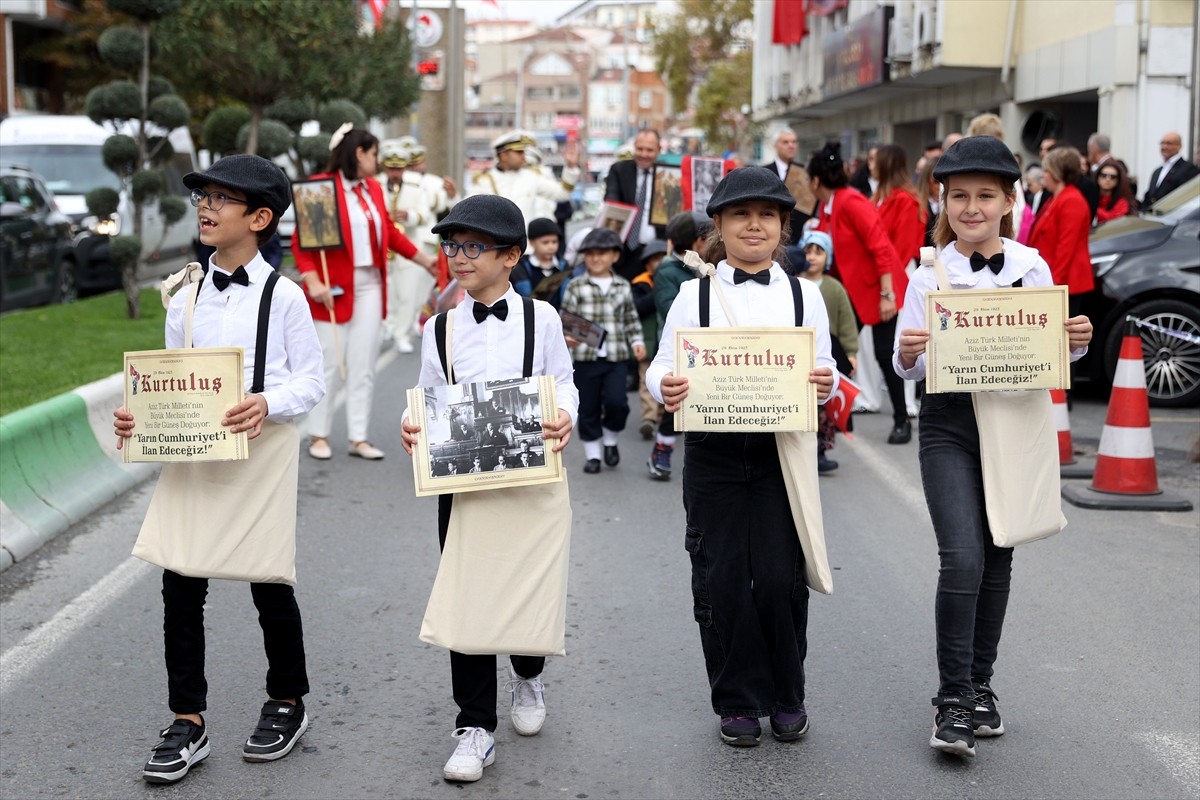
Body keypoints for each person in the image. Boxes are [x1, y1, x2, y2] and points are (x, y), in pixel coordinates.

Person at [114, 155, 325, 784]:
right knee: (180, 586)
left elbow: (311, 379)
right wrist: (139, 418)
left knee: (268, 582)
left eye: (222, 200)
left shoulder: (284, 296)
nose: (206, 207)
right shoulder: (185, 292)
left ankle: (287, 700)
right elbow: (171, 376)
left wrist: (269, 401)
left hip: (259, 452)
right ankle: (188, 719)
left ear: (259, 218)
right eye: (203, 197)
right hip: (194, 457)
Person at [894, 135, 1093, 759]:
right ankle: (951, 699)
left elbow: (1051, 350)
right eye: (959, 197)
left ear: (1011, 200)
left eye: (985, 196)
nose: (972, 208)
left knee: (1001, 549)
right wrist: (907, 355)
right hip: (949, 422)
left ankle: (981, 686)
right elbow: (907, 362)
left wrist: (1077, 339)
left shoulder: (1032, 267)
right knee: (962, 556)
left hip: (1013, 420)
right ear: (942, 201)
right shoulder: (926, 271)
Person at [646, 167, 837, 748]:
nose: (754, 226)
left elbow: (825, 368)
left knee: (780, 577)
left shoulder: (805, 296)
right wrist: (666, 388)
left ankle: (787, 694)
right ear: (720, 228)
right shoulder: (692, 294)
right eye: (740, 216)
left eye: (767, 216)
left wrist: (824, 383)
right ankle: (736, 700)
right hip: (713, 452)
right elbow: (660, 364)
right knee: (722, 576)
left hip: (782, 452)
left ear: (783, 228)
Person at [400, 194, 577, 784]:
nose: (459, 257)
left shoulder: (542, 318)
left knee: (527, 587)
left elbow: (564, 384)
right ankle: (474, 725)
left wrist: (565, 416)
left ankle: (527, 673)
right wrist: (414, 428)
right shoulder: (440, 328)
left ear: (511, 256)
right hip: (466, 482)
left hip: (532, 476)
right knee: (467, 595)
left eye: (474, 246)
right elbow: (428, 395)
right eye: (452, 246)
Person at [294, 125, 436, 461]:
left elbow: (388, 231)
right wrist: (313, 281)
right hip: (332, 286)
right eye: (374, 154)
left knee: (364, 363)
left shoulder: (373, 188)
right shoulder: (321, 188)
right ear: (359, 153)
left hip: (371, 284)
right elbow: (303, 243)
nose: (379, 161)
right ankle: (318, 434)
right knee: (329, 360)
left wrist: (424, 259)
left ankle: (358, 437)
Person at [807, 141, 911, 444]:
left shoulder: (851, 201)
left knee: (883, 352)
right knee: (830, 342)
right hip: (852, 291)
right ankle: (838, 411)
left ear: (815, 181)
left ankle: (901, 419)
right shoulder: (829, 206)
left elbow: (880, 247)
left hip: (880, 289)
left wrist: (887, 295)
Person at [561, 227, 646, 474]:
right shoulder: (576, 285)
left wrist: (637, 341)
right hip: (586, 359)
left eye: (602, 253)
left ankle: (610, 439)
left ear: (615, 256)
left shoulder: (622, 286)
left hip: (617, 356)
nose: (596, 258)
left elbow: (630, 317)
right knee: (587, 406)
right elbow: (566, 318)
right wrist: (568, 336)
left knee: (617, 402)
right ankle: (593, 455)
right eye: (590, 254)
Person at [646, 210, 711, 480]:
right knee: (677, 402)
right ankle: (662, 447)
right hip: (678, 348)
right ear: (697, 243)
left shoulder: (711, 267)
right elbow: (667, 307)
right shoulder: (668, 271)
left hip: (711, 350)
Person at [793, 229, 857, 473]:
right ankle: (802, 449)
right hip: (801, 354)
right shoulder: (794, 285)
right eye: (808, 250)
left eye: (818, 252)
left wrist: (851, 352)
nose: (812, 256)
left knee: (826, 407)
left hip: (831, 351)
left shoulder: (834, 288)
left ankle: (820, 451)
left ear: (827, 257)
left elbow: (847, 322)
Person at [378, 138, 432, 354]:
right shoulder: (374, 184)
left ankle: (402, 334)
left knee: (407, 293)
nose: (395, 173)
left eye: (399, 168)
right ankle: (387, 326)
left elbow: (425, 214)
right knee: (386, 291)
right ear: (384, 166)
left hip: (408, 244)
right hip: (383, 247)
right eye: (391, 168)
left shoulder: (416, 185)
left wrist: (408, 216)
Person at [1028, 146, 1095, 311]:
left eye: (1046, 171)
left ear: (1056, 172)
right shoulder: (1056, 198)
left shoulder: (1072, 200)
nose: (1044, 176)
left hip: (1066, 283)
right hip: (1055, 280)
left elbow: (1067, 246)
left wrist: (1054, 283)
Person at [470, 130, 580, 231]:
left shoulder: (531, 177)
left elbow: (563, 193)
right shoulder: (484, 180)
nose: (523, 156)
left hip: (526, 248)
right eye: (518, 152)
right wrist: (453, 197)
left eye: (523, 152)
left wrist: (570, 167)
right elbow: (469, 212)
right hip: (498, 248)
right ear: (503, 155)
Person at [604, 127, 667, 280]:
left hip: (657, 253)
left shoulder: (668, 173)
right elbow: (611, 201)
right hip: (624, 251)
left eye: (649, 150)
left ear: (658, 150)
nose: (644, 154)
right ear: (634, 147)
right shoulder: (619, 170)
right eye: (640, 149)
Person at [630, 239, 667, 440]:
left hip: (665, 341)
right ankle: (649, 418)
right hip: (646, 340)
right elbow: (637, 307)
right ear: (647, 264)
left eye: (663, 259)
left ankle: (661, 415)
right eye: (655, 260)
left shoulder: (674, 281)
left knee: (665, 379)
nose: (660, 263)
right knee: (646, 380)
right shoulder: (640, 284)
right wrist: (657, 292)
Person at [761, 127, 815, 241]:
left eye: (794, 142)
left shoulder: (805, 172)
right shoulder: (764, 172)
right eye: (786, 142)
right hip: (770, 234)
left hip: (798, 237)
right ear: (776, 145)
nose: (791, 145)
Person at [511, 217, 570, 305]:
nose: (551, 247)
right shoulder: (520, 268)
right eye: (545, 242)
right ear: (532, 243)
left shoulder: (563, 266)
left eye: (554, 242)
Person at [1143, 130, 1199, 209]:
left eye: (1169, 143)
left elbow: (1184, 197)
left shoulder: (1188, 169)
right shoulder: (1157, 171)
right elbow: (1149, 196)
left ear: (1179, 146)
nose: (1164, 147)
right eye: (1162, 143)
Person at [917, 156, 941, 247]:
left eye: (943, 181)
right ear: (927, 181)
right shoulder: (917, 205)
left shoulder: (951, 206)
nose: (940, 186)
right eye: (936, 181)